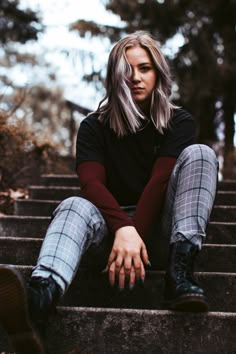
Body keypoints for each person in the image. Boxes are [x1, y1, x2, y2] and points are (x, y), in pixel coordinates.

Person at [0, 31, 218, 353]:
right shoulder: (93, 127)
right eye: (126, 70)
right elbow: (92, 185)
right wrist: (123, 228)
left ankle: (180, 273)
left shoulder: (178, 121)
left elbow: (160, 181)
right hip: (108, 237)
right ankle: (39, 300)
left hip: (159, 235)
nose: (135, 78)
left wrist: (135, 233)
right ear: (114, 76)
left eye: (144, 68)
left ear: (157, 72)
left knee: (201, 154)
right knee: (75, 203)